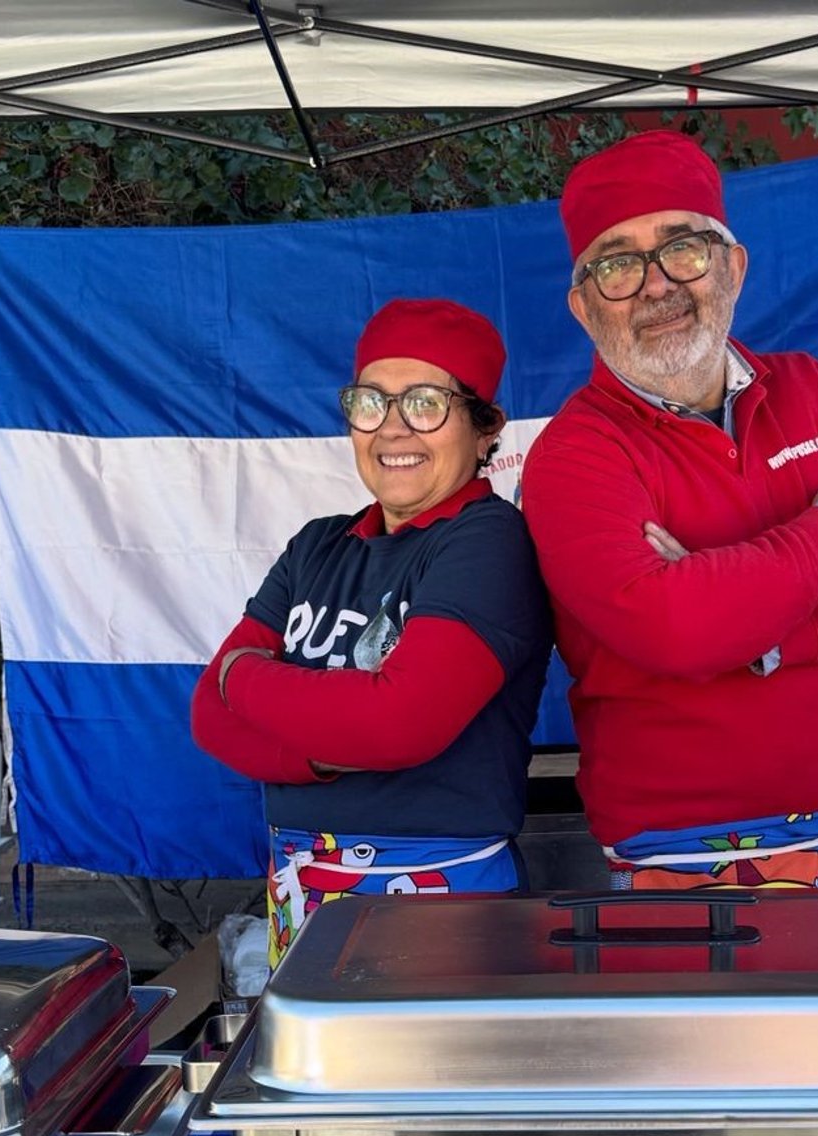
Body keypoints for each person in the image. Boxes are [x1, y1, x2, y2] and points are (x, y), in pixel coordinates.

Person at [521, 130, 818, 891]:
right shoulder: (574, 453)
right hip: (678, 856)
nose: (656, 284)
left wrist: (774, 638)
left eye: (682, 248)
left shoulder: (813, 391)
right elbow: (676, 626)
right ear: (583, 305)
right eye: (618, 263)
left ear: (732, 265)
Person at [193, 297, 550, 959]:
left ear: (484, 428)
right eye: (370, 402)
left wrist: (246, 676)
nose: (392, 429)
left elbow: (399, 723)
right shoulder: (316, 547)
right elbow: (209, 716)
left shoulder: (487, 542)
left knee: (431, 1065)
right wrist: (330, 746)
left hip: (444, 900)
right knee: (314, 1063)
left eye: (425, 403)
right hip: (297, 898)